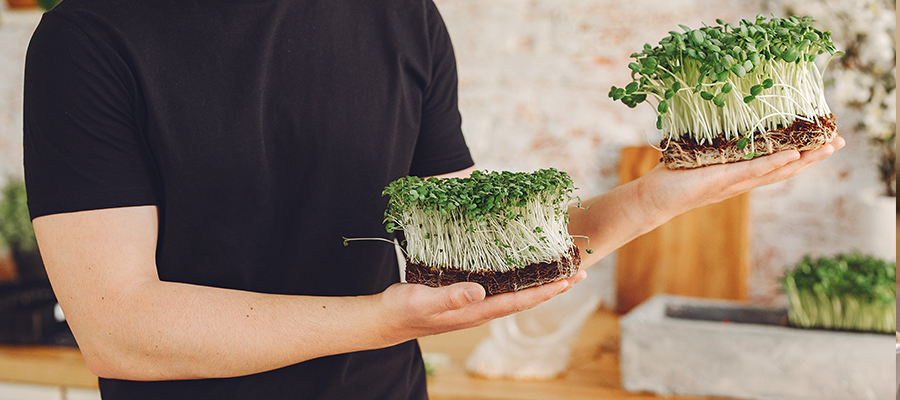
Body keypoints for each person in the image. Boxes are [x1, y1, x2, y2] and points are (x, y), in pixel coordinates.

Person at [22, 0, 844, 399]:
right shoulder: (89, 37)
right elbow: (119, 329)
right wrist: (383, 319)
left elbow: (483, 262)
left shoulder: (403, 16)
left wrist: (650, 201)